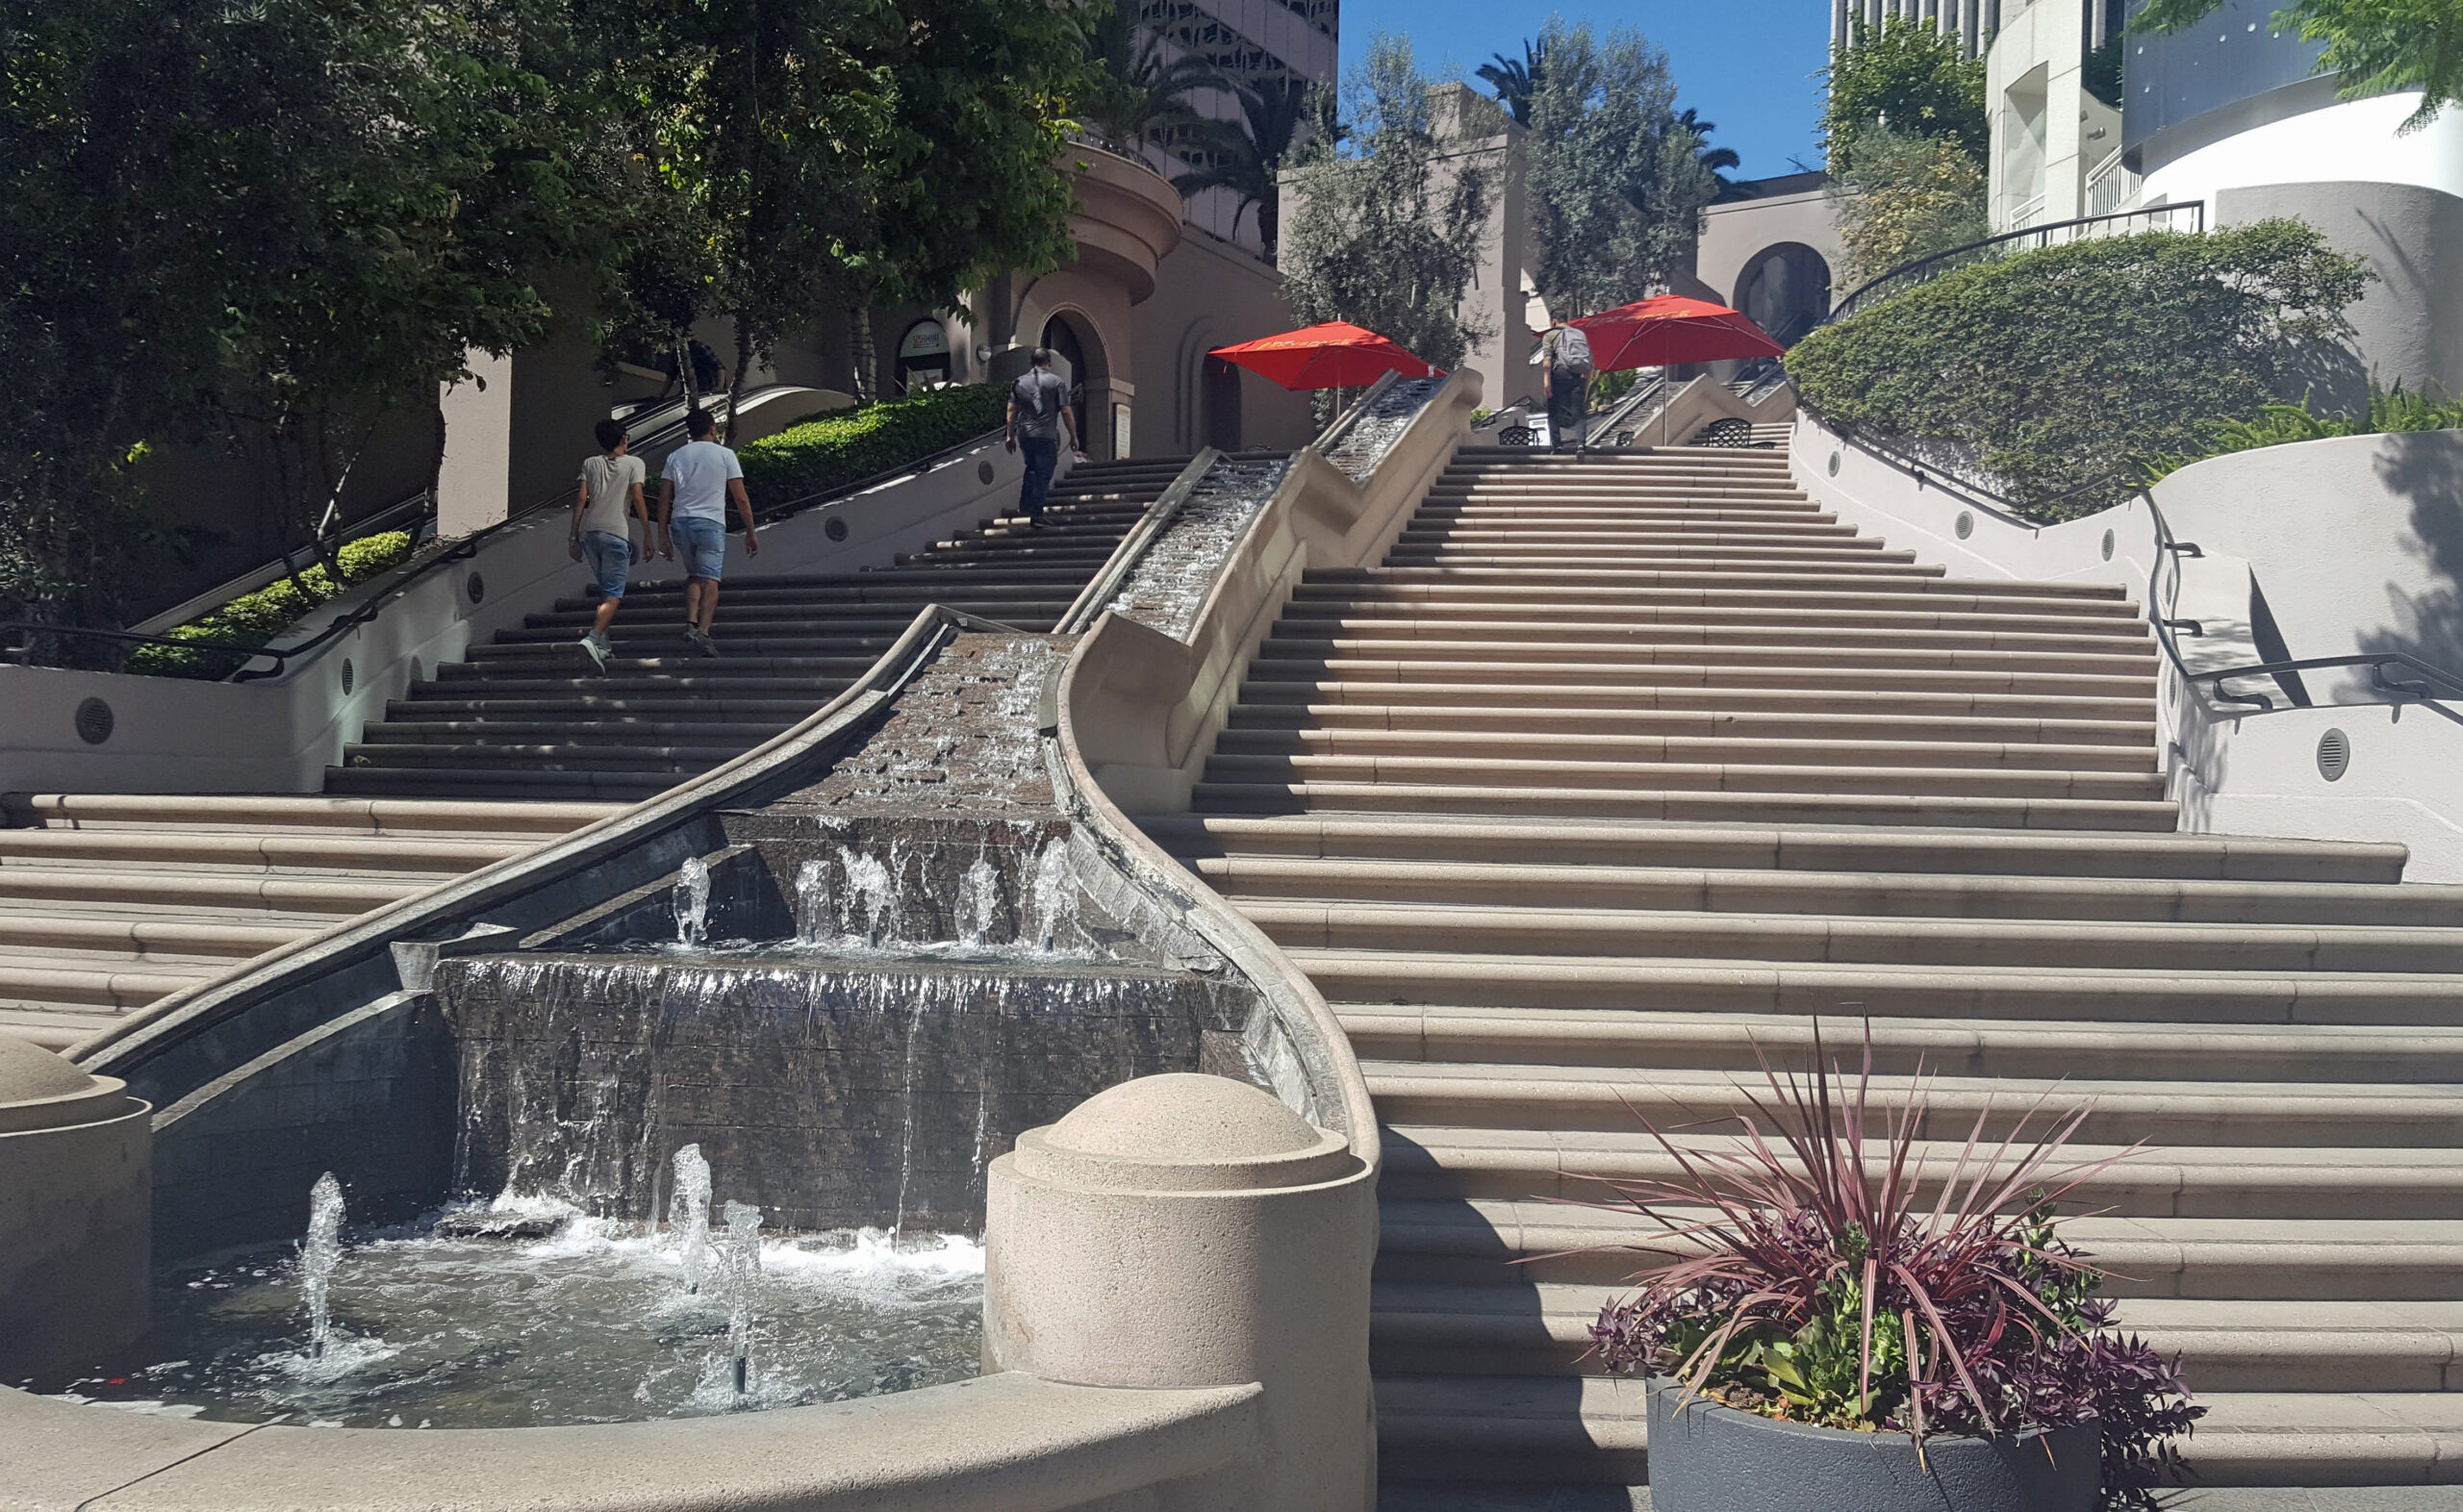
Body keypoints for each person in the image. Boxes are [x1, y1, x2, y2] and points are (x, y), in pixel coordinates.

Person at [657, 409, 759, 656]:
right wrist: (750, 531)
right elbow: (740, 497)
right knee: (710, 578)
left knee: (694, 575)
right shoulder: (725, 455)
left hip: (680, 522)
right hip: (710, 522)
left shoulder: (675, 456)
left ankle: (690, 623)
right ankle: (703, 631)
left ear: (689, 432)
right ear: (713, 429)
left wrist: (661, 534)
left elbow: (664, 497)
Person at [570, 418, 651, 670]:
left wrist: (573, 536)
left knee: (606, 591)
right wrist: (648, 533)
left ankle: (603, 647)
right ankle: (592, 638)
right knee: (615, 594)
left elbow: (582, 498)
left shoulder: (590, 463)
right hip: (616, 534)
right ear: (623, 439)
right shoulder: (635, 463)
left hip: (590, 533)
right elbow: (637, 498)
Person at [1004, 348, 1081, 525]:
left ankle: (1025, 505)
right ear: (1049, 363)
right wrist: (1073, 435)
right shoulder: (1056, 382)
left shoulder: (1019, 382)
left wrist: (1010, 435)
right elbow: (1066, 411)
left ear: (1032, 363)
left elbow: (1011, 410)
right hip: (1046, 435)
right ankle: (1036, 514)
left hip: (1025, 434)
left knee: (1031, 467)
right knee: (1043, 474)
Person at [1539, 314, 1593, 453]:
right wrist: (1586, 385)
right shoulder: (1580, 334)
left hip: (1559, 374)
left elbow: (1547, 360)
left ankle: (1556, 445)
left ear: (1554, 321)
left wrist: (1547, 383)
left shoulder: (1550, 335)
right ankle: (1581, 444)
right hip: (1578, 375)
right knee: (1579, 412)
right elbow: (1590, 363)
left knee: (1553, 411)